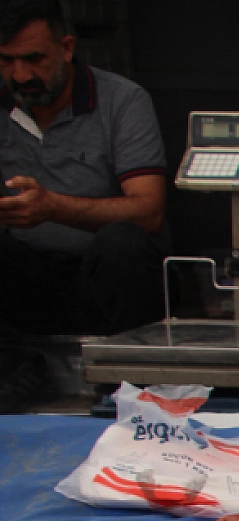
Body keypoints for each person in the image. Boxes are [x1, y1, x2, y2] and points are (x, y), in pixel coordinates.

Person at [0, 0, 168, 407]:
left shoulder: (121, 101)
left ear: (66, 48)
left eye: (34, 59)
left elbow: (150, 211)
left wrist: (53, 207)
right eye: (6, 61)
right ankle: (16, 371)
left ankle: (128, 385)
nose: (21, 75)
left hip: (104, 284)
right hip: (28, 280)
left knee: (124, 243)